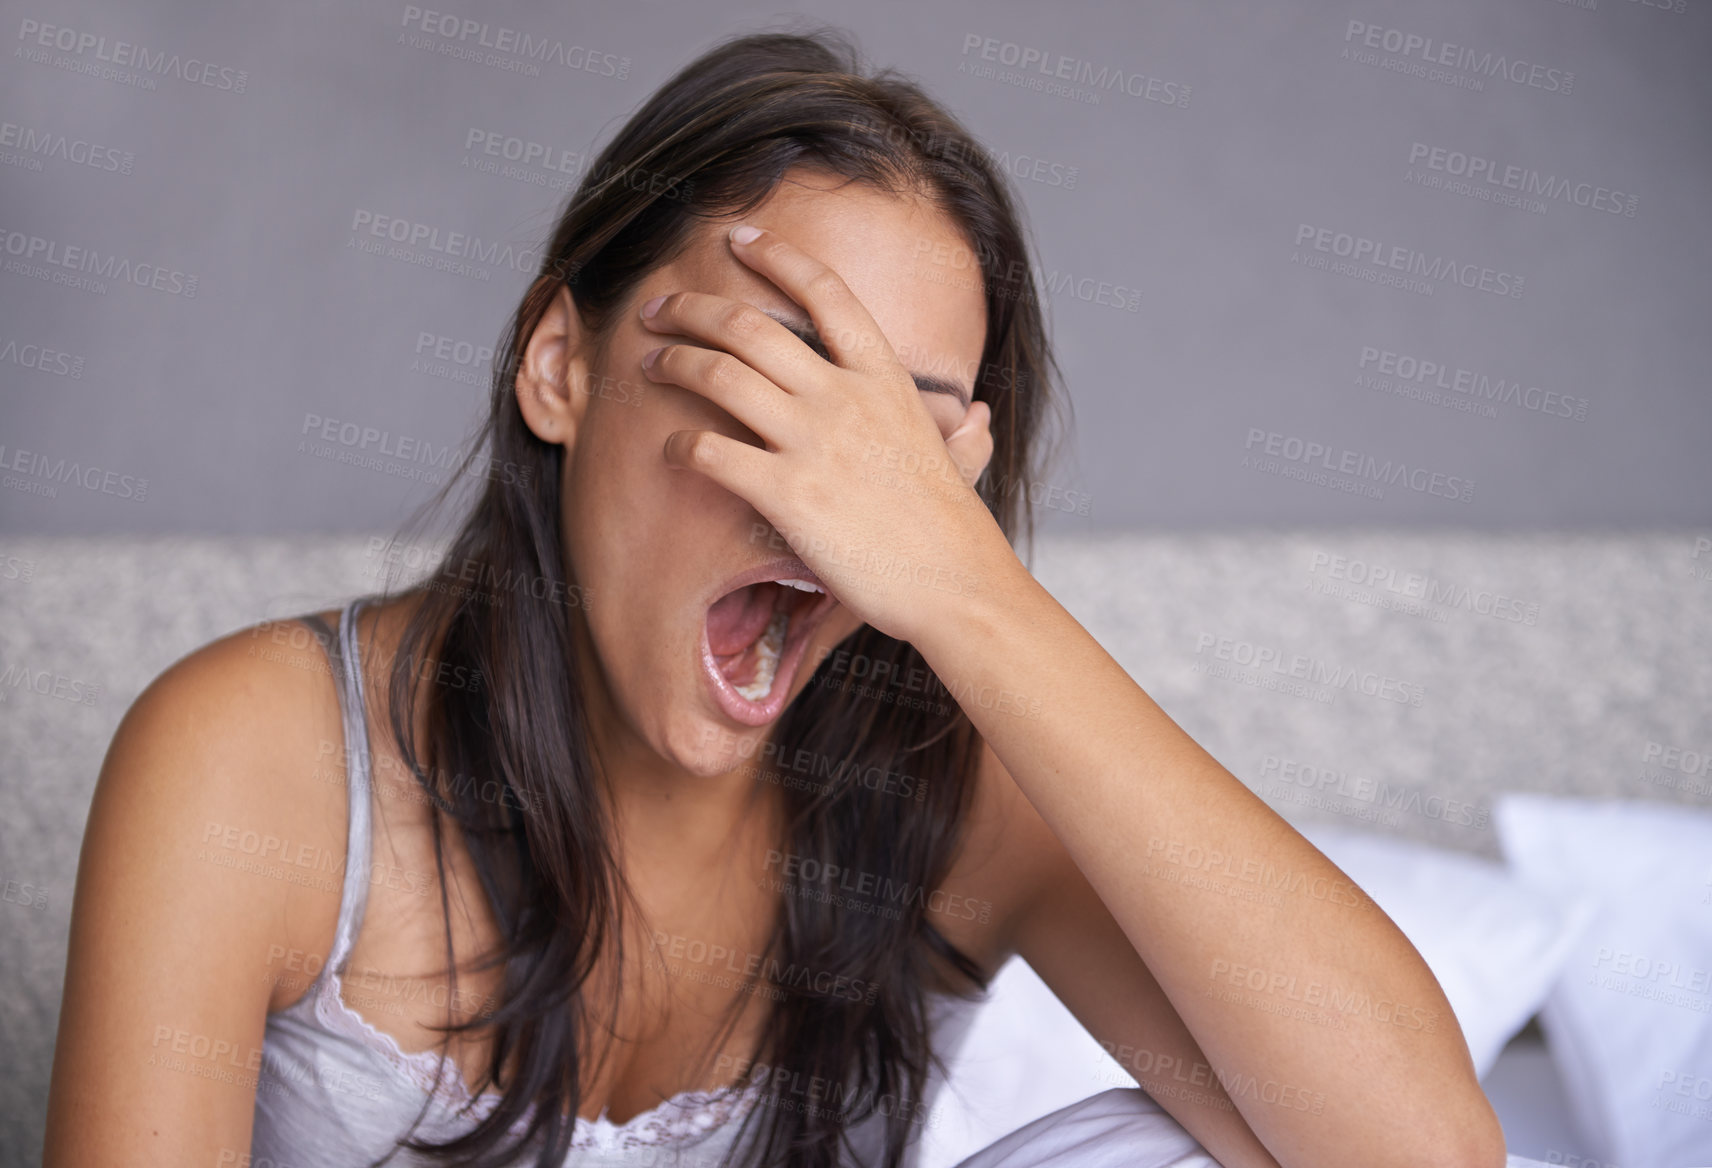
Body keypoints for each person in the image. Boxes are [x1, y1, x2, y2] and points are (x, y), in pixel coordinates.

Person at [43, 25, 1505, 1168]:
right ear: (562, 366)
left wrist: (968, 592)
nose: (825, 497)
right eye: (777, 383)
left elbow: (1421, 1151)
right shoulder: (251, 759)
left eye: (895, 442)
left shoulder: (950, 793)